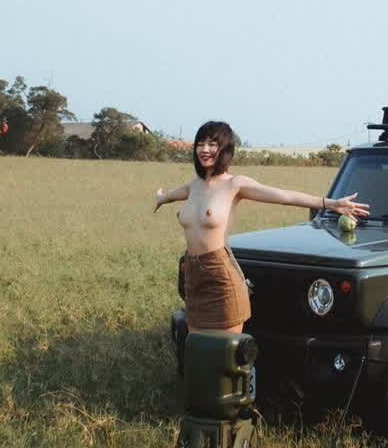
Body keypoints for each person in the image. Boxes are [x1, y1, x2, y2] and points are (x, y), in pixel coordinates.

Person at [153, 120, 370, 335]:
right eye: (200, 144)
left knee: (225, 350)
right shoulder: (193, 186)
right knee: (196, 347)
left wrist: (330, 204)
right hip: (193, 275)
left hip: (220, 274)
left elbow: (283, 196)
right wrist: (161, 198)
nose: (205, 149)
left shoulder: (234, 184)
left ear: (225, 149)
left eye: (212, 144)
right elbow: (171, 196)